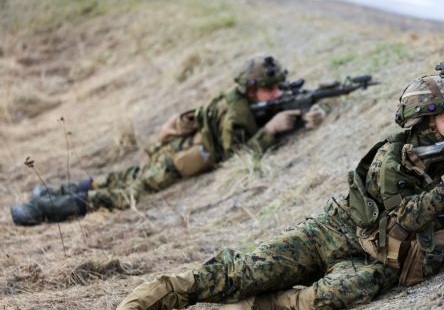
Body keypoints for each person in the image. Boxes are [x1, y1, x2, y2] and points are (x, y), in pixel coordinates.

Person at [109, 64, 444, 310]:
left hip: (380, 255)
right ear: (423, 125)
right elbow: (404, 218)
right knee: (246, 271)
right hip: (333, 231)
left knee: (338, 294)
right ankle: (141, 304)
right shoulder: (389, 160)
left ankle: (262, 305)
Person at [10, 54, 327, 226]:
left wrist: (298, 117)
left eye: (279, 87)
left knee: (123, 176)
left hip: (178, 148)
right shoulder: (237, 114)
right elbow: (236, 156)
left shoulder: (236, 97)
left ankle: (51, 192)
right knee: (125, 193)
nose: (277, 92)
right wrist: (271, 131)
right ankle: (42, 208)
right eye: (270, 88)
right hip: (181, 161)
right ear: (252, 87)